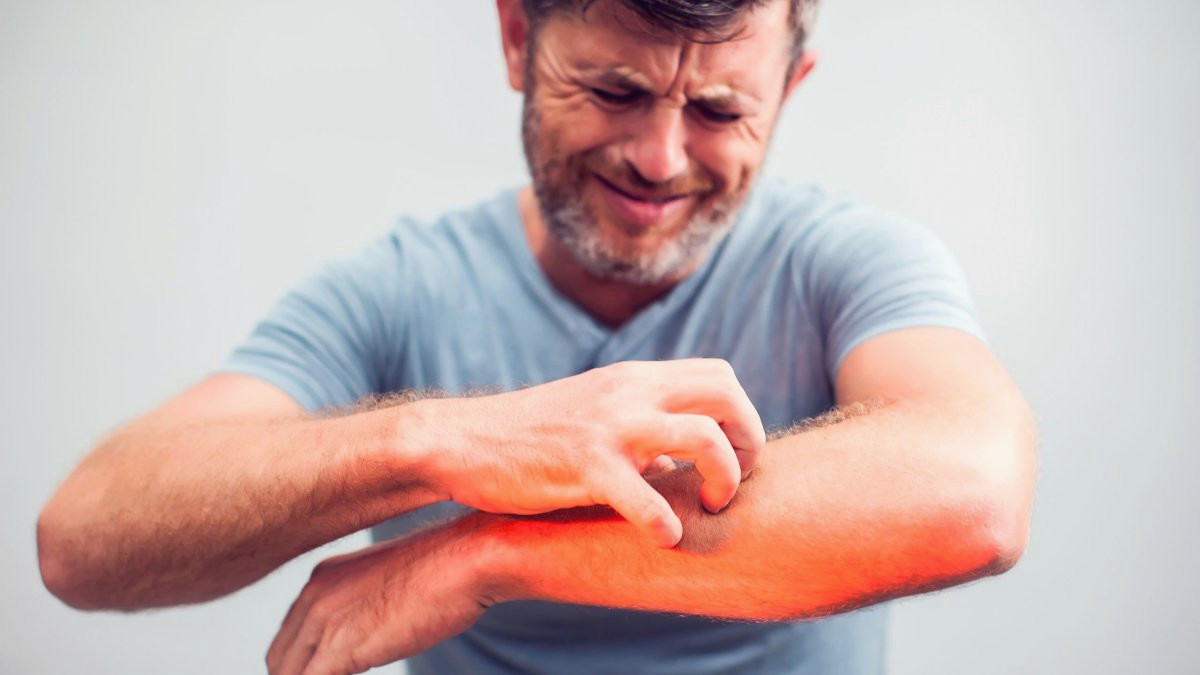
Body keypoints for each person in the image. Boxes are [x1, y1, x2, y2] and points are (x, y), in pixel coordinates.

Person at [37, 0, 1037, 673]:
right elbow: (82, 538)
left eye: (720, 109)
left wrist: (484, 552)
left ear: (790, 89)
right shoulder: (406, 284)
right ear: (519, 37)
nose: (660, 158)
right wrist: (443, 440)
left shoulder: (842, 261)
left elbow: (975, 491)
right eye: (613, 91)